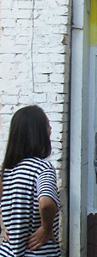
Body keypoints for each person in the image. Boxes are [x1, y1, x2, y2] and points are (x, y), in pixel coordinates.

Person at [0, 105, 61, 256]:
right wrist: (46, 228)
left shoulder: (7, 170)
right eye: (47, 125)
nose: (50, 129)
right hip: (38, 252)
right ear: (37, 132)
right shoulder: (42, 168)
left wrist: (6, 227)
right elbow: (46, 203)